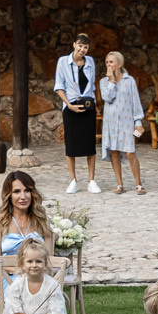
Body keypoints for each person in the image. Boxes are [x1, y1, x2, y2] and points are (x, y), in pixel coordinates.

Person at [54, 33, 100, 194]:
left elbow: (92, 85)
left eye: (85, 47)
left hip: (88, 106)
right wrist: (68, 105)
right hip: (71, 105)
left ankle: (91, 180)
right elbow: (59, 86)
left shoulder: (90, 62)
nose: (82, 49)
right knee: (71, 145)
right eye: (80, 45)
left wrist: (95, 104)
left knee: (90, 145)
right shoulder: (63, 62)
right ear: (74, 45)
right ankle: (73, 180)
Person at [99, 51, 147, 195]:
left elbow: (135, 102)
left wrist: (138, 121)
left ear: (119, 64)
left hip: (126, 123)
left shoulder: (129, 80)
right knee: (114, 152)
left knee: (130, 153)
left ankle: (139, 184)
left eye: (111, 62)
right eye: (107, 62)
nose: (108, 65)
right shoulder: (104, 82)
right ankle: (120, 184)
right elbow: (107, 97)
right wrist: (112, 81)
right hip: (110, 123)